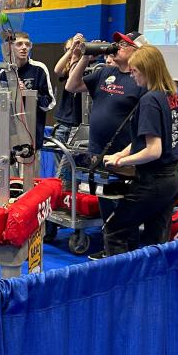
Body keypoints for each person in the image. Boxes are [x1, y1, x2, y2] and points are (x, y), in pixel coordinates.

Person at [102, 45, 178, 254]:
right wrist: (121, 153)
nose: (132, 75)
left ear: (147, 70)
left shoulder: (149, 100)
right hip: (177, 176)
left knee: (116, 229)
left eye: (135, 71)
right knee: (156, 236)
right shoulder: (175, 96)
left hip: (155, 180)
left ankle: (122, 283)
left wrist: (120, 162)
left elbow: (153, 150)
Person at [65, 31, 147, 259]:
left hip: (125, 156)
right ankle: (111, 249)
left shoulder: (140, 79)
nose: (117, 47)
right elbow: (72, 86)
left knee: (124, 208)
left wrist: (130, 153)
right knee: (105, 204)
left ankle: (125, 252)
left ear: (137, 51)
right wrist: (85, 58)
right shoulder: (106, 73)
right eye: (117, 43)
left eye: (124, 44)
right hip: (98, 152)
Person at [52, 37, 84, 187]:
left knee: (70, 168)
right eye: (68, 49)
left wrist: (79, 57)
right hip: (62, 122)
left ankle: (69, 196)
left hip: (77, 125)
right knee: (60, 165)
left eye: (77, 47)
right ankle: (62, 194)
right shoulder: (66, 68)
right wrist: (72, 52)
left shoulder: (88, 66)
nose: (72, 51)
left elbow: (74, 79)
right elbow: (57, 69)